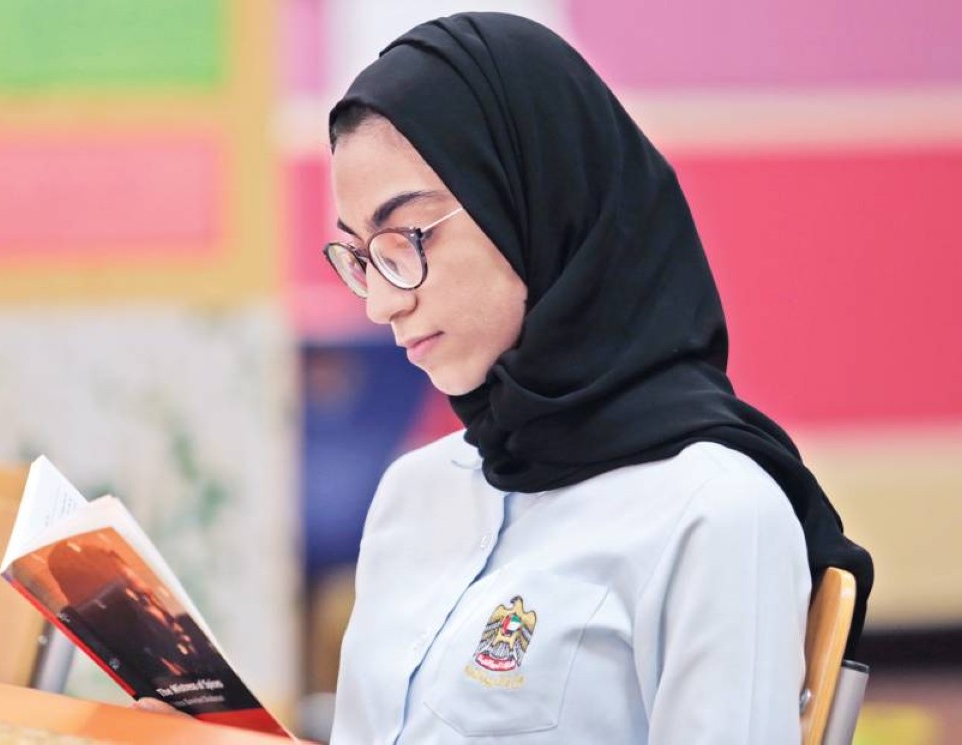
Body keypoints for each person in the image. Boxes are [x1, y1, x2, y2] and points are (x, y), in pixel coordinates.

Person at [321, 12, 873, 744]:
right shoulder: (414, 495)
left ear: (536, 198)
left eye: (406, 238)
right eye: (363, 257)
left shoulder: (713, 513)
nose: (383, 301)